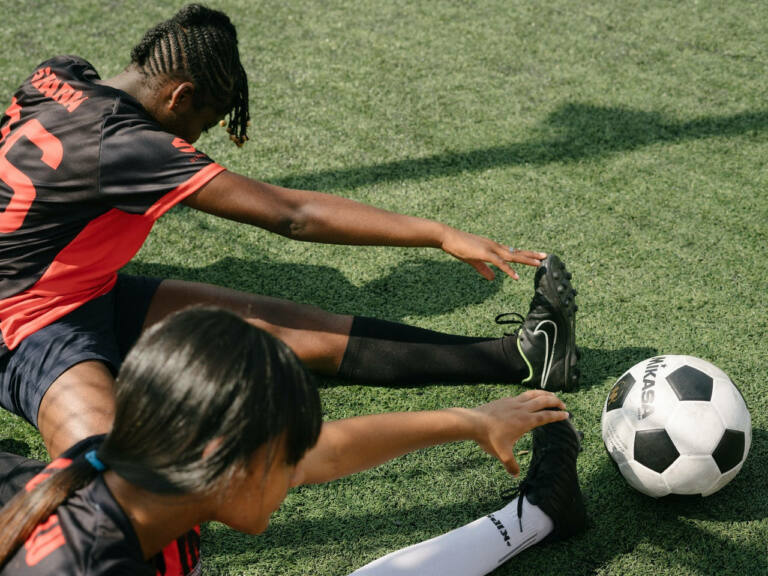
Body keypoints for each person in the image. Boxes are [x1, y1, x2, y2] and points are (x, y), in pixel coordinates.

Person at [0, 3, 579, 461]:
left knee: (306, 334)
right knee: (110, 477)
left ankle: (524, 358)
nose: (195, 142)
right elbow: (290, 214)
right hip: (23, 322)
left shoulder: (58, 74)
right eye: (201, 124)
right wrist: (437, 232)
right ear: (180, 97)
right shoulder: (135, 149)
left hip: (84, 291)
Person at [0, 307, 586, 575]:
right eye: (284, 464)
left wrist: (471, 420)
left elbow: (324, 452)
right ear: (218, 457)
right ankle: (535, 517)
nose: (294, 480)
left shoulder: (130, 467)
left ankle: (538, 516)